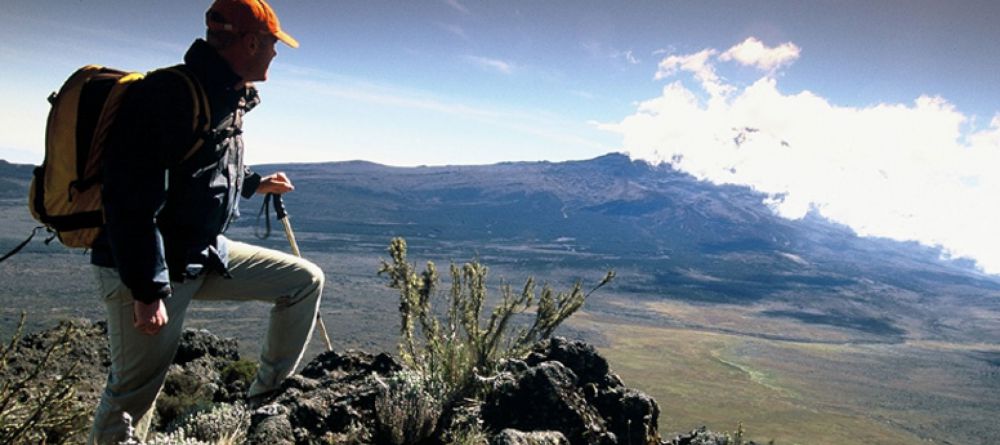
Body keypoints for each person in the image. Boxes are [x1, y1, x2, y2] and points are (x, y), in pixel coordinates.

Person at [87, 1, 323, 443]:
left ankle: (264, 404)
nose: (275, 53)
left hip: (199, 253)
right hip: (143, 268)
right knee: (132, 395)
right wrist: (146, 289)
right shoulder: (168, 93)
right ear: (251, 41)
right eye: (273, 44)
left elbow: (195, 169)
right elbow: (129, 199)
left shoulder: (225, 93)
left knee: (303, 281)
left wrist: (253, 184)